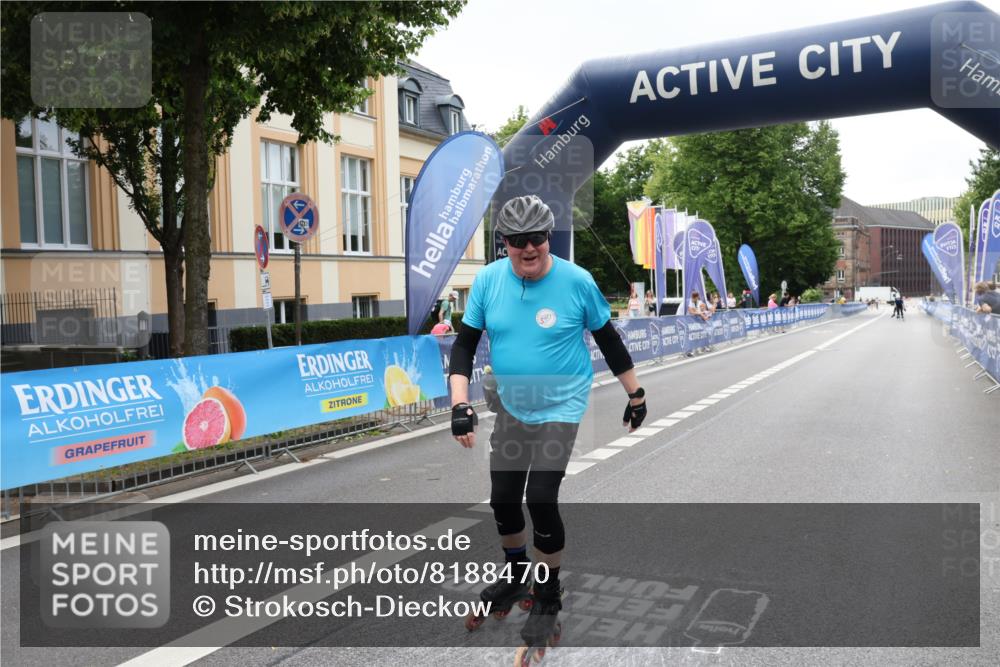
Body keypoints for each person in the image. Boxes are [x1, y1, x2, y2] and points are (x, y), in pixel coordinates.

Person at [448, 195, 647, 654]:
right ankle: (518, 576)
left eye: (537, 238)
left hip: (561, 405)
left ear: (548, 238)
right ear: (504, 244)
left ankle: (549, 591)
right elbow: (464, 346)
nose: (529, 249)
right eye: (518, 241)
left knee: (539, 496)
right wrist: (461, 405)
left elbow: (608, 340)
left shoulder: (576, 281)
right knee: (502, 501)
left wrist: (635, 394)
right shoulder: (488, 281)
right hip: (513, 408)